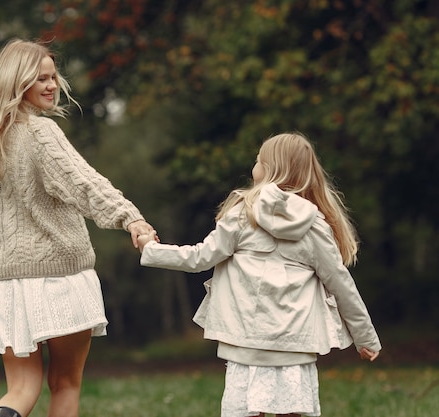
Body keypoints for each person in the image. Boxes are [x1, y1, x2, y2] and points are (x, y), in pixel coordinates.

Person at [0, 39, 156, 417]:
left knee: (20, 389)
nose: (52, 85)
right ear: (18, 84)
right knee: (65, 384)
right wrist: (130, 216)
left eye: (53, 77)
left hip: (7, 285)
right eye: (40, 79)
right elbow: (84, 184)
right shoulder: (40, 133)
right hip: (59, 278)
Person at [137, 132, 381, 417]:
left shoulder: (243, 214)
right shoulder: (315, 225)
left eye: (258, 160)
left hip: (246, 344)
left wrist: (151, 249)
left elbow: (198, 258)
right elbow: (341, 284)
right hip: (295, 345)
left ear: (269, 169)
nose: (254, 165)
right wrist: (366, 338)